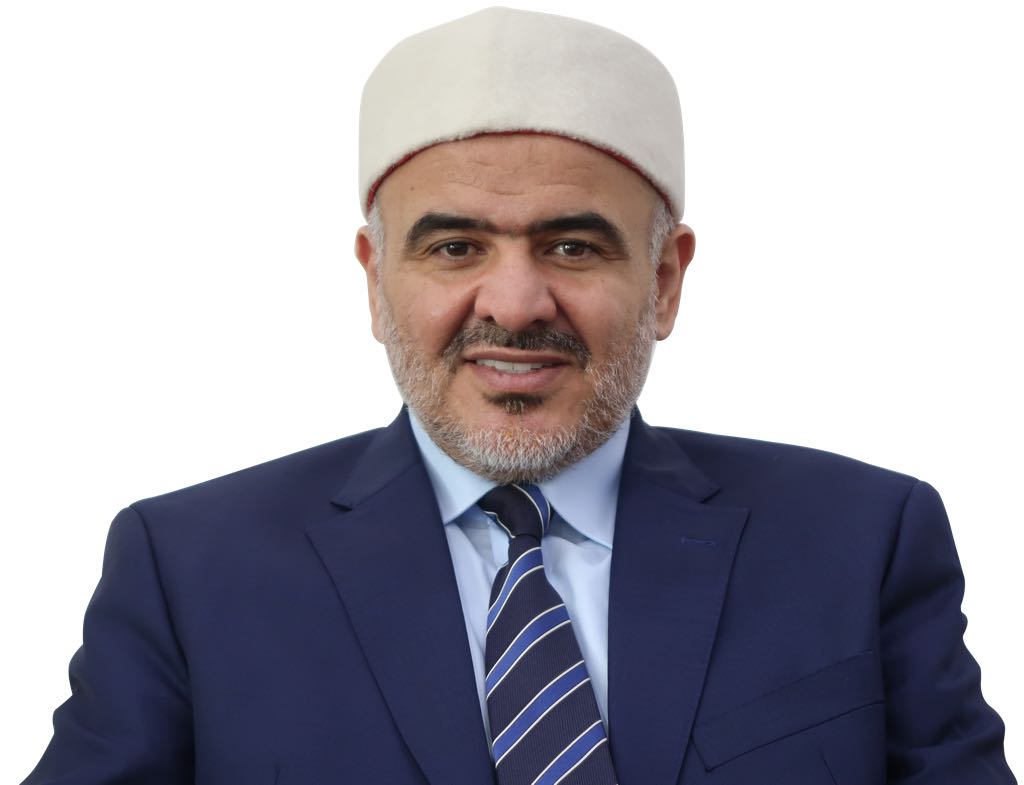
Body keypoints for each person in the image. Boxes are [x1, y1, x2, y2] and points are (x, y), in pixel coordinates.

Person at [20, 7, 1017, 785]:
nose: (513, 302)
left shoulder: (861, 541)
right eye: (455, 246)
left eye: (572, 245)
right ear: (374, 282)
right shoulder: (189, 570)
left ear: (665, 279)